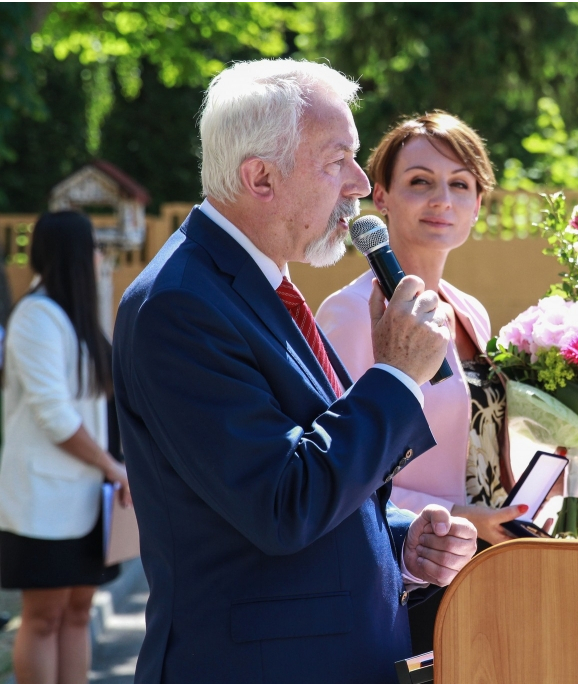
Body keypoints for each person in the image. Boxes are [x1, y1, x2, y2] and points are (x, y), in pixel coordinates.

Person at [112, 60, 477, 683]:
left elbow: (299, 479)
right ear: (260, 177)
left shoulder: (254, 281)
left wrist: (400, 539)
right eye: (338, 160)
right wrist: (394, 378)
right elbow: (282, 503)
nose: (361, 184)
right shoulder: (180, 304)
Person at [316, 111, 578, 652]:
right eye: (420, 182)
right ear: (380, 198)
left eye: (461, 184)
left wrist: (555, 476)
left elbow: (476, 447)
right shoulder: (349, 313)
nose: (442, 200)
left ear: (479, 203)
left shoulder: (469, 311)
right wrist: (461, 518)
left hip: (487, 566)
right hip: (410, 577)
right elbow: (338, 471)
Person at [0, 211, 132, 684]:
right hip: (42, 501)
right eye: (94, 247)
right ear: (75, 254)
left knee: (78, 612)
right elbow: (54, 416)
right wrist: (112, 468)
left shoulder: (78, 317)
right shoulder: (36, 316)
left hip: (83, 498)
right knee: (44, 617)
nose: (101, 258)